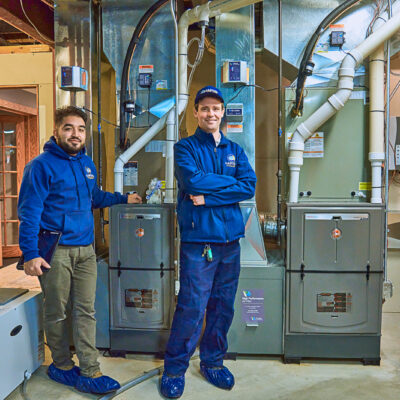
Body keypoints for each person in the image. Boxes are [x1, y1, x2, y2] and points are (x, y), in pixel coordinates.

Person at [18, 106, 142, 395]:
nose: (75, 134)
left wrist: (124, 197)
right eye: (68, 128)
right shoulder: (40, 166)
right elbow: (29, 212)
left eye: (80, 129)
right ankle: (61, 365)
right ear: (56, 131)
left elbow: (94, 197)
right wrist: (30, 253)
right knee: (57, 312)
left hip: (85, 250)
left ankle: (89, 369)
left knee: (87, 311)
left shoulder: (86, 163)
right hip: (56, 251)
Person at [160, 86, 257, 398]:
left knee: (222, 307)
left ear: (222, 112)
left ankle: (212, 362)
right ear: (196, 113)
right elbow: (193, 182)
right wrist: (229, 186)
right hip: (199, 242)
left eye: (216, 108)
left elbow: (249, 186)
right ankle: (174, 368)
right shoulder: (185, 148)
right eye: (205, 108)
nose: (211, 113)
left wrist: (209, 196)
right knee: (191, 306)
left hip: (231, 243)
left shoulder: (234, 150)